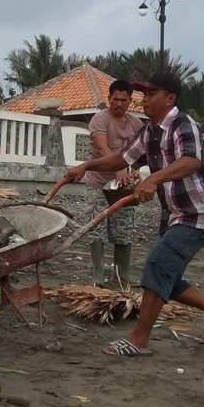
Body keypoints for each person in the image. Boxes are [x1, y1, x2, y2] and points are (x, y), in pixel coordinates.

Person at [64, 71, 204, 356]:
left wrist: (153, 179)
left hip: (197, 212)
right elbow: (123, 158)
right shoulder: (148, 132)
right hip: (175, 214)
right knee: (167, 278)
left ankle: (139, 340)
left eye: (151, 94)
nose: (144, 99)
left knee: (157, 267)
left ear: (170, 98)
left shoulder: (184, 124)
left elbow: (192, 160)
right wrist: (86, 166)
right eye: (144, 94)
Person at [80, 79, 143, 286]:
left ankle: (122, 274)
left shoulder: (136, 124)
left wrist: (134, 171)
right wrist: (118, 168)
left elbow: (139, 153)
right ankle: (98, 275)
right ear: (108, 99)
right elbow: (101, 148)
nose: (119, 104)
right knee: (96, 228)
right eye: (115, 99)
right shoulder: (100, 119)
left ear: (130, 101)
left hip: (123, 186)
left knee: (123, 229)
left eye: (123, 100)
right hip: (98, 183)